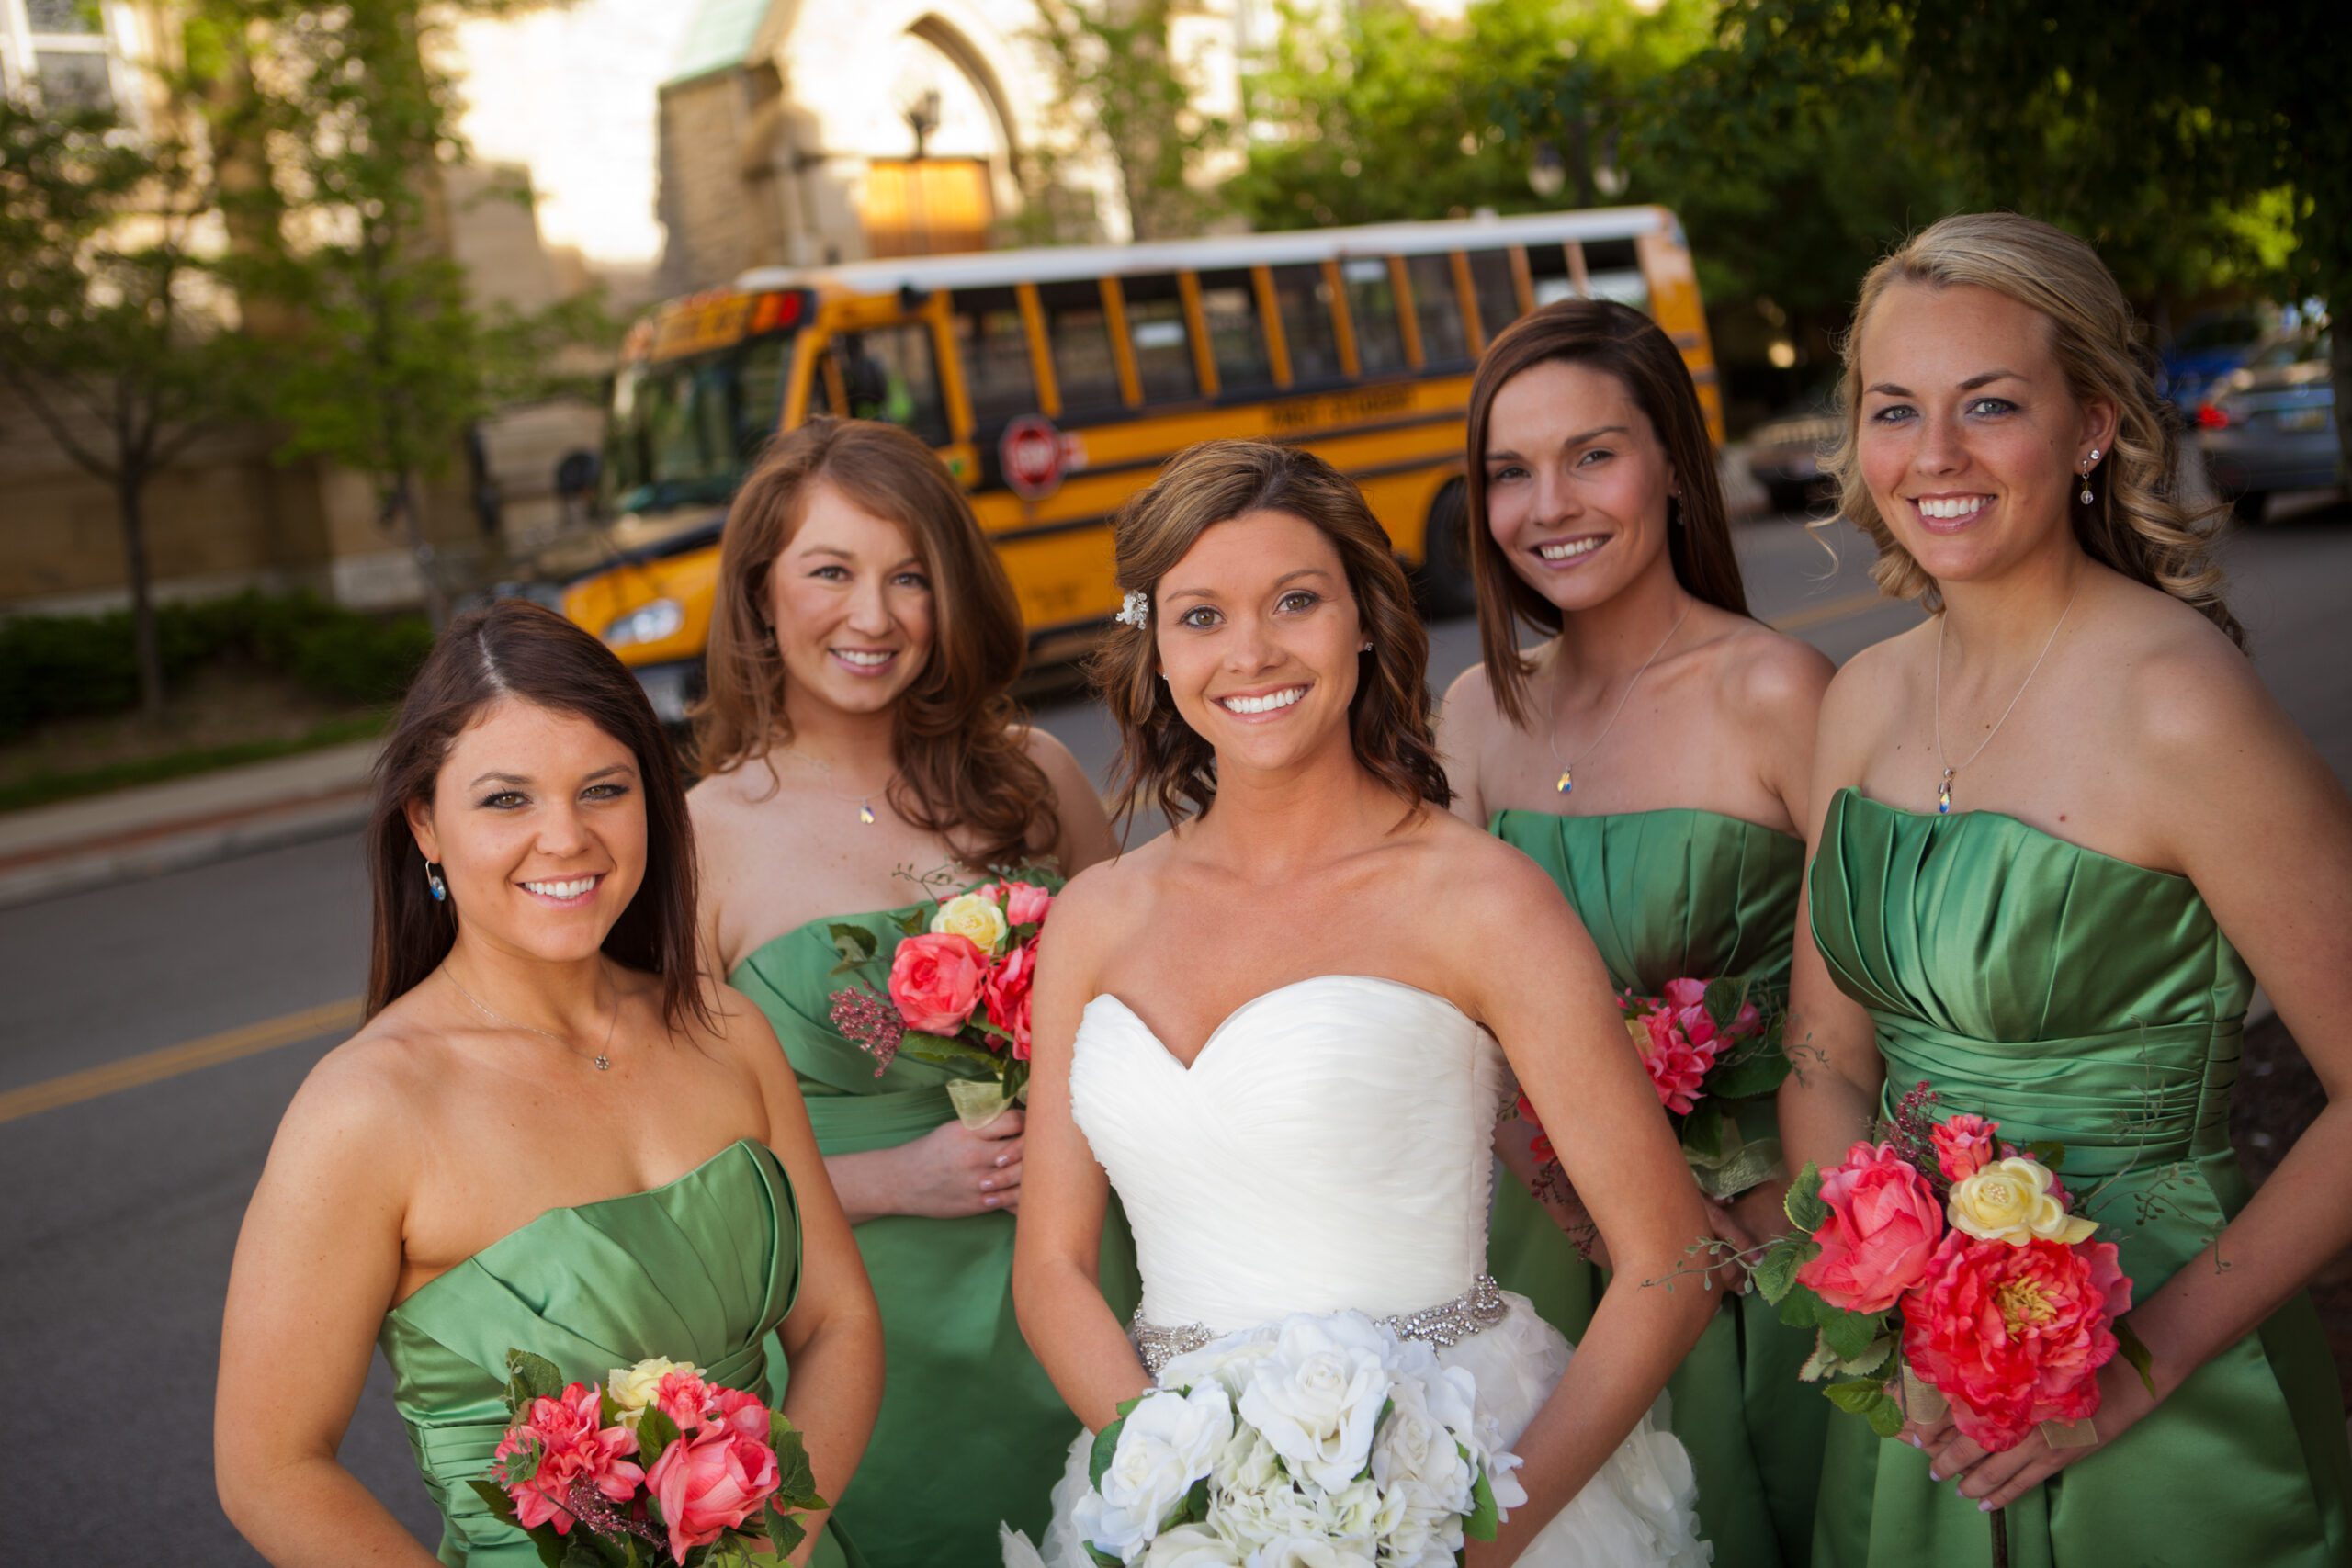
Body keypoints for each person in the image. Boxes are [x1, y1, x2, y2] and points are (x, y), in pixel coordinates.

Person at [1007, 439, 1717, 1565]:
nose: (1251, 653)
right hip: (1183, 1509)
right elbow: (1050, 1270)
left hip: (1468, 1486)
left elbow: (1670, 1260)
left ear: (1365, 620)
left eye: (1295, 601)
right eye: (1200, 616)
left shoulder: (1478, 898)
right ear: (1155, 649)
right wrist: (1195, 1505)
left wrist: (1476, 1544)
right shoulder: (1096, 919)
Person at [1779, 211, 2352, 1565]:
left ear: (2093, 421)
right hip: (1920, 1397)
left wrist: (2134, 1363)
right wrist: (1889, 1313)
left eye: (1990, 405)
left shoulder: (2179, 704)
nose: (1935, 457)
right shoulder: (1860, 698)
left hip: (2162, 1374)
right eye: (1895, 409)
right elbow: (1819, 1055)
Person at [216, 600, 882, 1566]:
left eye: (603, 789)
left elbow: (840, 1323)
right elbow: (270, 1469)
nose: (566, 839)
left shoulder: (728, 1030)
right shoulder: (364, 1110)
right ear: (425, 826)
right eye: (506, 800)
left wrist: (766, 1552)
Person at [688, 417, 1136, 1563]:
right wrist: (889, 1178)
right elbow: (669, 1177)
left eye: (909, 578)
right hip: (868, 1340)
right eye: (830, 572)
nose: (874, 617)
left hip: (1094, 1286)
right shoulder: (699, 838)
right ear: (758, 593)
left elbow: (1147, 1020)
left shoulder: (1032, 779)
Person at [1439, 298, 1835, 1567]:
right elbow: (1447, 999)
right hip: (1540, 1241)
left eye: (1592, 454)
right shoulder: (1478, 712)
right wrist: (1577, 1195)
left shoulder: (1776, 690)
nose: (1548, 503)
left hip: (1755, 1244)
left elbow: (1865, 1004)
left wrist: (1768, 1208)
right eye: (1510, 471)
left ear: (1672, 463)